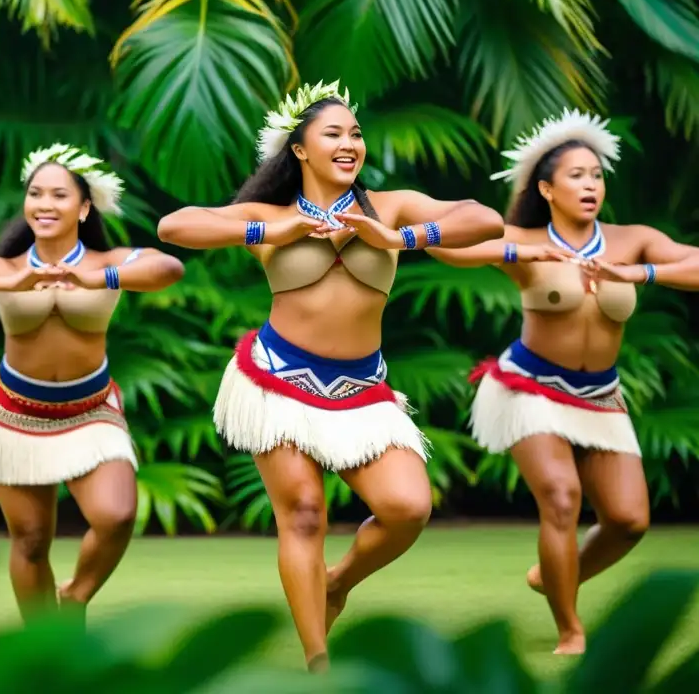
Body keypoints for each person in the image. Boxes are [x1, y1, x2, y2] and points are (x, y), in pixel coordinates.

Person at [156, 81, 505, 671]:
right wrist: (269, 233)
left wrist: (400, 238)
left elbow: (485, 219)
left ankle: (337, 582)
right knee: (302, 514)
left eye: (356, 133)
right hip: (279, 381)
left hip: (361, 390)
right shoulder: (271, 214)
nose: (350, 143)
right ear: (299, 149)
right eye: (334, 134)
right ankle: (319, 662)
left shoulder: (388, 206)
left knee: (407, 508)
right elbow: (175, 227)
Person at [427, 108, 699, 654]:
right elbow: (443, 246)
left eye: (596, 175)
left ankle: (553, 575)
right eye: (577, 175)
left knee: (627, 520)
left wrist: (640, 273)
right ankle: (571, 632)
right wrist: (515, 250)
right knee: (560, 496)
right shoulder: (526, 239)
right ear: (547, 188)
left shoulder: (632, 241)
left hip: (599, 396)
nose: (591, 184)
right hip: (527, 388)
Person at [0, 143, 184, 622]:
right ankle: (42, 649)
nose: (45, 204)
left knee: (116, 517)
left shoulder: (107, 262)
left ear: (85, 206)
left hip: (90, 411)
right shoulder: (4, 268)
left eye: (59, 195)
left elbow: (166, 267)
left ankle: (75, 595)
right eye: (35, 193)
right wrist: (5, 285)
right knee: (30, 540)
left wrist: (100, 279)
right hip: (14, 413)